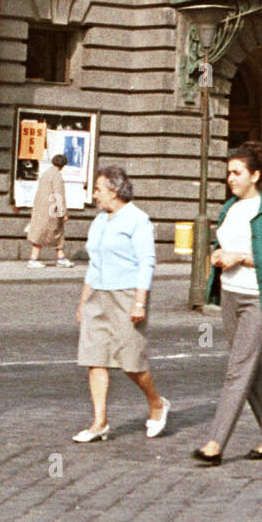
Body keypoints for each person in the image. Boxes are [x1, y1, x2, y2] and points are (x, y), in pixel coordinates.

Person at [193, 141, 262, 466]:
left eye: (237, 172)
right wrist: (218, 255)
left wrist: (238, 256)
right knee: (250, 369)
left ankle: (215, 444)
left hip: (257, 300)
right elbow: (224, 244)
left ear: (255, 175)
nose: (231, 178)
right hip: (230, 295)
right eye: (228, 172)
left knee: (237, 370)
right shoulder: (230, 209)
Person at [73, 164, 169, 443]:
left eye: (98, 190)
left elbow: (146, 262)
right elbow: (94, 263)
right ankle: (99, 422)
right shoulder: (100, 220)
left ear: (114, 192)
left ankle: (157, 404)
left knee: (131, 362)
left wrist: (140, 302)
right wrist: (83, 302)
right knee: (95, 359)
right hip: (97, 296)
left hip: (126, 296)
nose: (94, 195)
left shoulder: (137, 219)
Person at [26, 153, 72, 267]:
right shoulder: (57, 176)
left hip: (41, 209)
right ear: (63, 165)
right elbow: (58, 194)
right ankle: (36, 259)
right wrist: (63, 212)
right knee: (57, 232)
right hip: (52, 211)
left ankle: (55, 257)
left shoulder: (45, 174)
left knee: (40, 233)